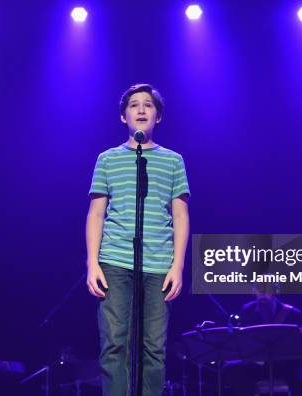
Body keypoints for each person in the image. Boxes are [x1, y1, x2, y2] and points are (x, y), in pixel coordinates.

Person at [85, 83, 190, 396]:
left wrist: (178, 266)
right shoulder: (107, 159)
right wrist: (93, 263)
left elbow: (181, 216)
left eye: (148, 105)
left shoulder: (173, 160)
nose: (141, 109)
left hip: (158, 263)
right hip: (115, 260)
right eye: (134, 105)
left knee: (154, 348)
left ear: (157, 116)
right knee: (114, 343)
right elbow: (95, 214)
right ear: (123, 116)